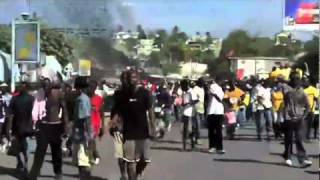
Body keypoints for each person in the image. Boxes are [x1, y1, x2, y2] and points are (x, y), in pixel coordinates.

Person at [112, 70, 156, 180]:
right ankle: (124, 174)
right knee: (123, 157)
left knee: (144, 159)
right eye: (125, 79)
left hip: (142, 131)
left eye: (130, 78)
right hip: (123, 130)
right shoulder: (119, 94)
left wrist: (153, 128)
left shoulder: (145, 93)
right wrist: (113, 124)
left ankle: (137, 174)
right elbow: (116, 111)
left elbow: (150, 111)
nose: (127, 81)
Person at [28, 78, 69, 180]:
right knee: (40, 151)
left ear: (50, 86)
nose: (46, 88)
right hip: (43, 126)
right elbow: (34, 111)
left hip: (56, 126)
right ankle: (34, 173)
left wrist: (66, 126)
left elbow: (65, 110)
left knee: (56, 152)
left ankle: (58, 172)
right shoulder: (39, 95)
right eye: (44, 86)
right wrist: (34, 125)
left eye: (47, 86)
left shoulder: (58, 94)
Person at [283, 74, 312, 167]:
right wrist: (286, 116)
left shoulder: (303, 93)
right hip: (289, 118)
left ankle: (302, 159)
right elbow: (286, 105)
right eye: (294, 80)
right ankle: (288, 157)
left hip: (299, 118)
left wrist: (304, 115)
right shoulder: (287, 91)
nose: (296, 82)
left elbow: (308, 106)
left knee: (299, 139)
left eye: (297, 80)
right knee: (289, 139)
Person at [7, 82, 34, 178]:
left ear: (25, 88)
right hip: (28, 128)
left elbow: (10, 115)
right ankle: (24, 167)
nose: (18, 87)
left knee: (18, 148)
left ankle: (21, 165)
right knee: (25, 149)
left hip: (18, 127)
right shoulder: (32, 99)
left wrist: (9, 129)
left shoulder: (15, 99)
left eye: (20, 86)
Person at [71, 76, 94, 180]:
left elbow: (85, 119)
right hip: (82, 134)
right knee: (84, 161)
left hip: (82, 135)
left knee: (82, 162)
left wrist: (88, 136)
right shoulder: (84, 99)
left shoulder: (81, 100)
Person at [88, 80, 105, 165]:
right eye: (88, 87)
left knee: (91, 140)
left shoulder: (99, 99)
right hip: (85, 123)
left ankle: (91, 158)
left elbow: (102, 113)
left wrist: (103, 127)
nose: (89, 89)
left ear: (95, 88)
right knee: (89, 141)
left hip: (95, 123)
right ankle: (96, 155)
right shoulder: (84, 98)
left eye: (91, 87)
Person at [207, 79, 225, 154]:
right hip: (212, 111)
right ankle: (212, 147)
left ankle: (219, 147)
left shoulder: (221, 89)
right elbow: (216, 97)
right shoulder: (213, 86)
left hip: (219, 111)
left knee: (218, 131)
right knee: (212, 131)